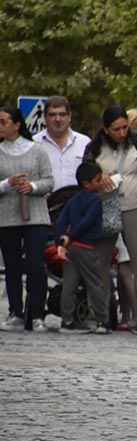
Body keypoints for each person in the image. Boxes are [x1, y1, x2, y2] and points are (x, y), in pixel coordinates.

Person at [85, 105, 137, 331]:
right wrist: (97, 178)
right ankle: (103, 315)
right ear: (105, 129)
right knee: (100, 260)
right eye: (116, 129)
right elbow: (83, 177)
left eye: (125, 127)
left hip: (136, 203)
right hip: (106, 204)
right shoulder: (94, 148)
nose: (122, 133)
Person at [0, 106, 53, 332]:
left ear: (17, 124)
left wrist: (31, 186)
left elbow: (49, 181)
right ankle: (15, 312)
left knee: (35, 265)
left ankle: (37, 314)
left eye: (3, 121)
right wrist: (7, 183)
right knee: (12, 266)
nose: (0, 126)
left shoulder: (38, 151)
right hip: (7, 218)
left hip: (36, 217)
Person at [53, 161, 116, 334]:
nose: (100, 182)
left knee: (69, 284)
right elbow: (87, 221)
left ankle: (67, 321)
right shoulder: (96, 200)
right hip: (87, 247)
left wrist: (61, 242)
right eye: (97, 180)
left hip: (70, 248)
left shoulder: (73, 200)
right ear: (87, 183)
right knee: (95, 284)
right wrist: (72, 235)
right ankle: (102, 322)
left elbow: (61, 222)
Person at [33, 96, 91, 192]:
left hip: (78, 204)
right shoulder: (34, 144)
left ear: (69, 117)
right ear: (45, 118)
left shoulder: (84, 142)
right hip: (44, 204)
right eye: (52, 115)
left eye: (62, 114)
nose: (58, 119)